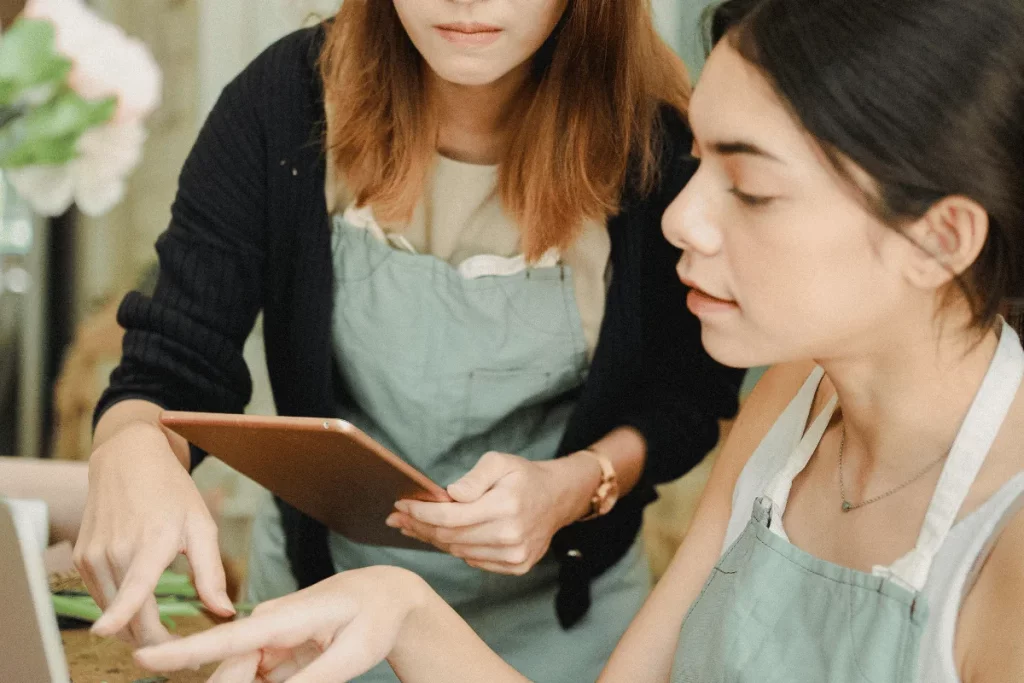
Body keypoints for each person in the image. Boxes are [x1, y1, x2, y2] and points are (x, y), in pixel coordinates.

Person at [133, 0, 1024, 680]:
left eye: (747, 187)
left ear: (941, 238)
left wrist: (579, 483)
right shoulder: (798, 394)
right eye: (703, 161)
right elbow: (175, 353)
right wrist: (403, 607)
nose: (679, 216)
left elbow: (676, 399)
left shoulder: (1004, 545)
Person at [76, 1, 741, 681]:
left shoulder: (657, 141)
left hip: (561, 631)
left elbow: (690, 394)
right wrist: (129, 442)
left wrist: (580, 485)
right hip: (317, 617)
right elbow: (172, 365)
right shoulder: (286, 100)